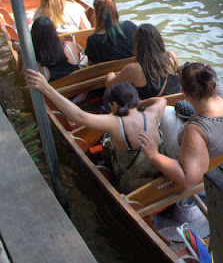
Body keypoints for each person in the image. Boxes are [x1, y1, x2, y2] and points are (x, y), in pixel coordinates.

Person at [24, 70, 166, 194]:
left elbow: (78, 116)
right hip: (161, 180)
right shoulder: (152, 114)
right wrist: (139, 104)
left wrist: (46, 88)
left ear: (115, 105)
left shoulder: (116, 123)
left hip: (133, 189)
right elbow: (161, 100)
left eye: (111, 107)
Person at [138, 62, 223, 190]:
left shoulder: (195, 130)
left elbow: (189, 180)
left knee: (167, 113)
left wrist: (154, 155)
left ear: (184, 91)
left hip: (215, 178)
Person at [105, 23, 181, 99]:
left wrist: (110, 75)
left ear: (137, 45)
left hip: (154, 110)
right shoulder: (172, 57)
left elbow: (111, 85)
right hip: (175, 105)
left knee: (108, 93)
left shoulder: (134, 69)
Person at [16, 16, 86, 81]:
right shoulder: (69, 47)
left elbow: (20, 75)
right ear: (54, 32)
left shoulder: (37, 67)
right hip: (80, 92)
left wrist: (21, 53)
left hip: (57, 93)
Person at [85, 0, 136, 64]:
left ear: (97, 14)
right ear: (114, 9)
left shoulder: (93, 40)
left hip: (108, 74)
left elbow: (92, 65)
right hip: (133, 71)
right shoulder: (130, 26)